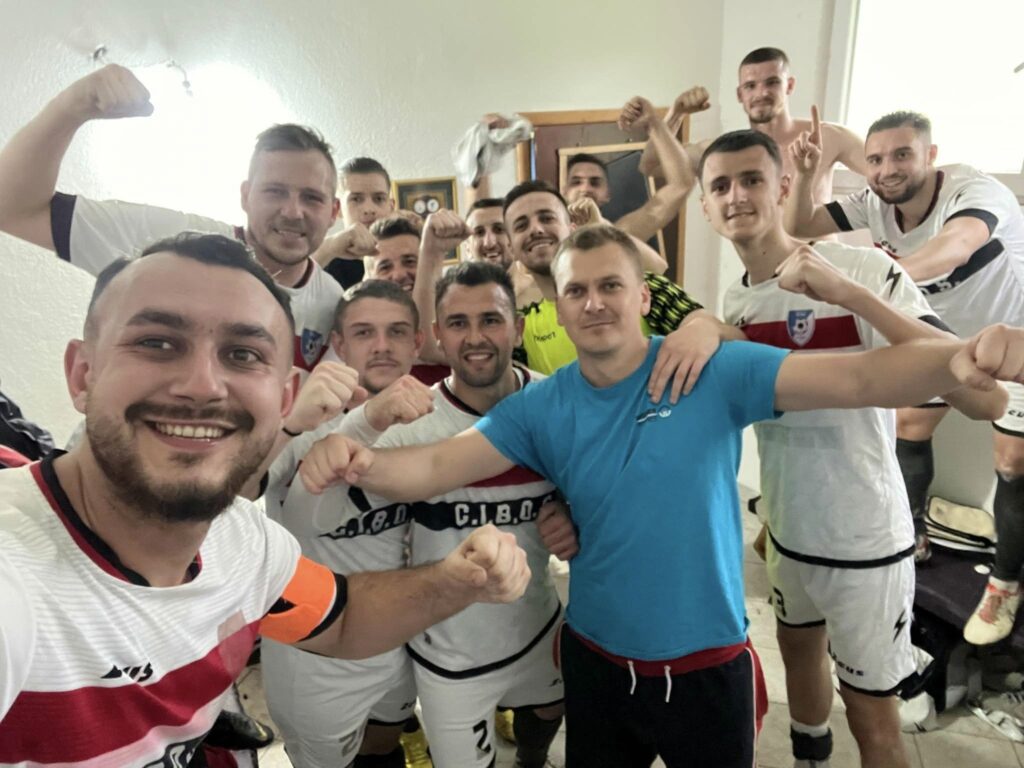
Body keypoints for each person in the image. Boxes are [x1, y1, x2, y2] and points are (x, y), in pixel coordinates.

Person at [297, 223, 1006, 767]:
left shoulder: (712, 370)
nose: (593, 302)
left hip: (709, 666)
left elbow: (860, 378)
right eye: (576, 290)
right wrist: (358, 459)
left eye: (610, 285)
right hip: (598, 665)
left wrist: (965, 356)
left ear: (642, 296)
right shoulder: (541, 407)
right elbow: (435, 465)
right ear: (557, 308)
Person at [0, 232, 531, 766]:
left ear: (282, 397)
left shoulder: (243, 542)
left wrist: (460, 580)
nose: (202, 385)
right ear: (82, 374)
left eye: (242, 354)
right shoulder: (16, 575)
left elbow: (344, 617)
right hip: (318, 683)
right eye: (157, 343)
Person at [704, 129, 1005, 768]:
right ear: (705, 206)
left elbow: (983, 398)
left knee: (872, 719)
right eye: (720, 185)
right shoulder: (737, 300)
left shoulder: (860, 267)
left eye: (752, 179)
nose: (736, 196)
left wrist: (850, 295)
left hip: (864, 540)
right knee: (799, 657)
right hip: (789, 531)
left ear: (784, 186)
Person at [289, 261, 573, 767]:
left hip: (538, 625)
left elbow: (603, 492)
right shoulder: (407, 420)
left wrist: (573, 515)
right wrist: (321, 451)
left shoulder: (558, 401)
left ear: (518, 327)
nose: (476, 337)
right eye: (459, 323)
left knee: (548, 712)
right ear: (438, 335)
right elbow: (321, 518)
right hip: (447, 653)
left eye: (491, 319)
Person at [785, 109, 1024, 642]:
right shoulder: (874, 201)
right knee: (909, 426)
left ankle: (1005, 583)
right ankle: (911, 536)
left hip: (1012, 340)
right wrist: (804, 174)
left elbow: (955, 247)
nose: (886, 169)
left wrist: (869, 280)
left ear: (930, 156)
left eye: (901, 155)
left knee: (1012, 462)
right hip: (945, 338)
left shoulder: (973, 191)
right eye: (874, 159)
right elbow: (800, 224)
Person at [0, 64, 346, 373]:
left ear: (333, 212)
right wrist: (72, 106)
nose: (292, 211)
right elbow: (13, 209)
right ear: (245, 196)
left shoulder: (333, 300)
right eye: (275, 191)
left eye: (311, 197)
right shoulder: (172, 240)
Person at [643, 47, 867, 207]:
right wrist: (677, 113)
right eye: (750, 86)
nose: (761, 93)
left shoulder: (828, 137)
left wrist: (889, 245)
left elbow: (883, 172)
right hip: (765, 262)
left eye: (772, 82)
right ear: (740, 94)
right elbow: (650, 166)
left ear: (789, 85)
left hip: (822, 256)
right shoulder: (723, 153)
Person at [315, 156, 400, 290]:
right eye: (356, 199)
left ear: (391, 207)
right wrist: (327, 249)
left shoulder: (408, 261)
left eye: (378, 199)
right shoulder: (323, 264)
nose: (369, 209)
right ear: (337, 209)